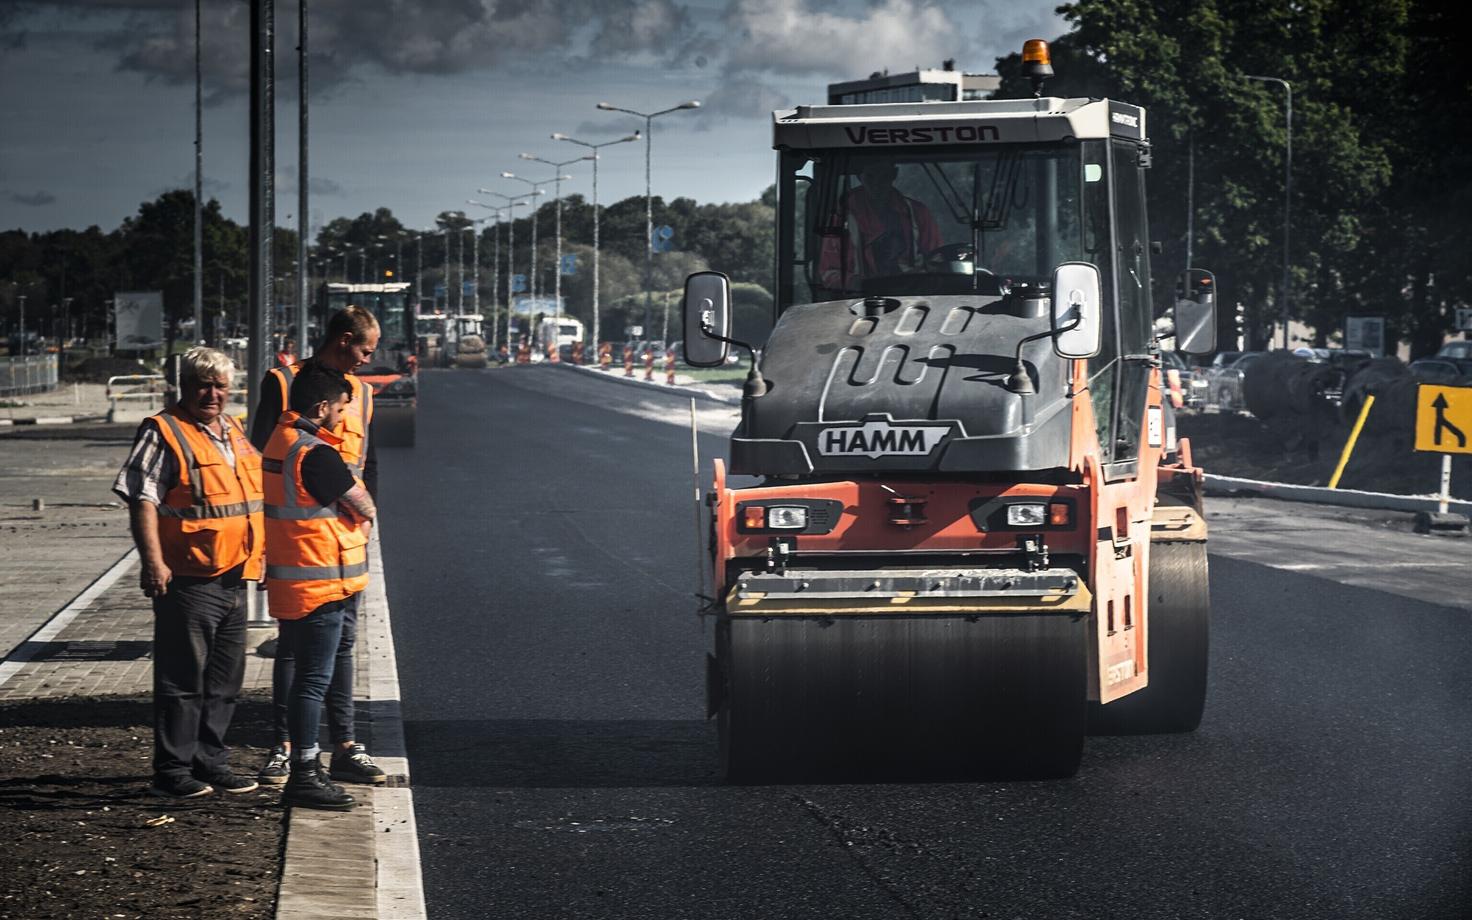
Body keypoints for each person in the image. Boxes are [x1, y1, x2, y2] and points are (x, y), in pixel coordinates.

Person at [113, 347, 264, 799]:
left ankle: (211, 761)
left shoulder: (232, 429)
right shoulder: (164, 432)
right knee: (183, 678)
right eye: (203, 384)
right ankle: (173, 770)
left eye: (220, 385)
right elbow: (142, 498)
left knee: (224, 679)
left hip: (235, 575)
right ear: (184, 385)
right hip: (188, 577)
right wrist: (152, 561)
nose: (212, 394)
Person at [252, 306, 386, 788]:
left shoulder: (363, 395)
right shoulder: (283, 382)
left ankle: (346, 747)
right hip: (301, 547)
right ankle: (286, 750)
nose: (369, 361)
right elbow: (258, 462)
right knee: (295, 652)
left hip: (346, 545)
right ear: (345, 339)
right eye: (366, 350)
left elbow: (368, 463)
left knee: (342, 647)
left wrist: (368, 522)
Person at [818, 160, 943, 293]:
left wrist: (922, 278)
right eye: (870, 176)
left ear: (894, 175)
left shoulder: (917, 213)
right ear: (860, 177)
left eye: (884, 176)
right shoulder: (840, 218)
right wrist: (860, 284)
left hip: (911, 297)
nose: (877, 184)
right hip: (857, 302)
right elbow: (828, 273)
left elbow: (937, 260)